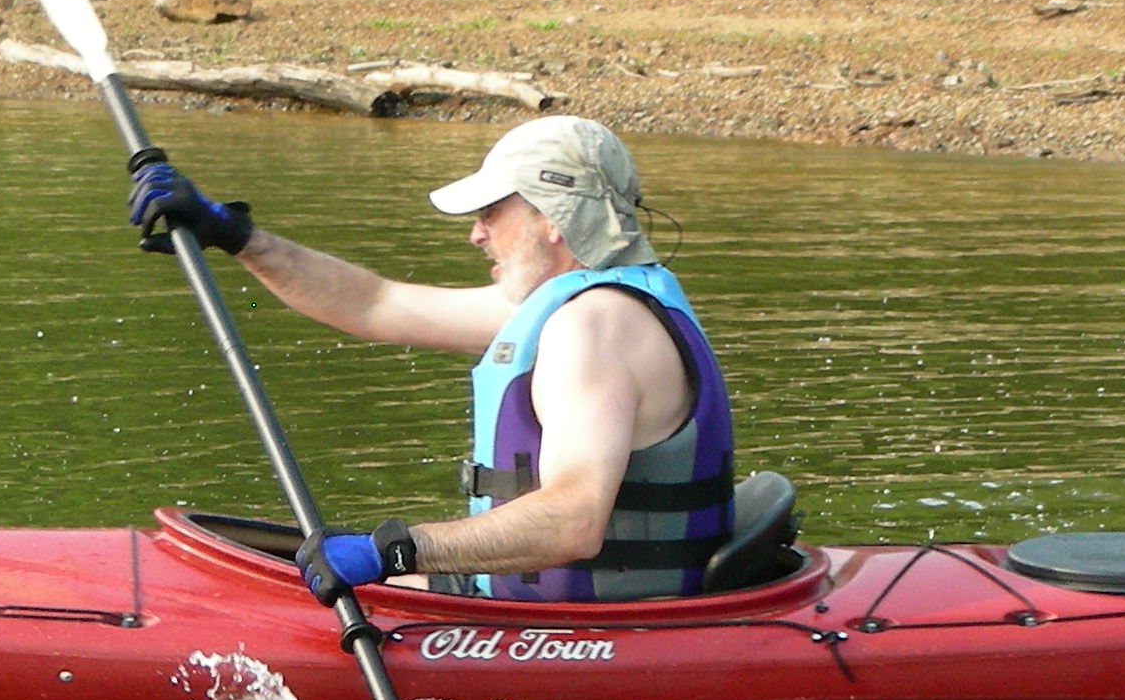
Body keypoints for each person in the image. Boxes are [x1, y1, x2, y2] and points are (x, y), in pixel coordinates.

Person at [128, 116, 734, 604]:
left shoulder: (596, 327)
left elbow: (573, 521)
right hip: (511, 598)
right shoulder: (579, 306)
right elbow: (374, 303)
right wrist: (235, 236)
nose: (476, 234)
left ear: (554, 217)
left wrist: (394, 550)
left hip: (590, 630)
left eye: (491, 212)